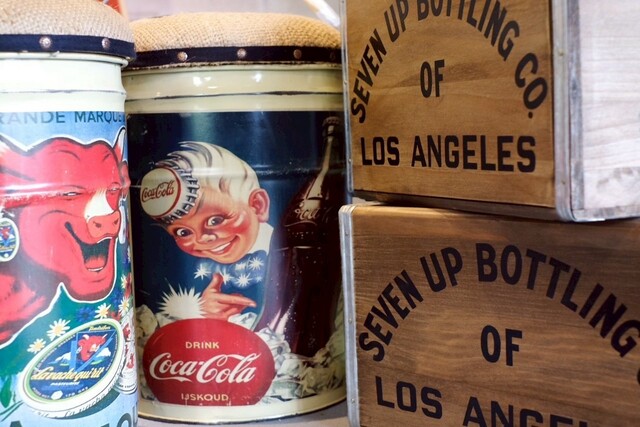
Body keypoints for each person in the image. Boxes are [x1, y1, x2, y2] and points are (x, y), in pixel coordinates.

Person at [142, 141, 272, 325]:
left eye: (216, 220)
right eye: (183, 232)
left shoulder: (290, 251)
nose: (202, 238)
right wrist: (204, 314)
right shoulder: (176, 270)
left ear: (258, 205)